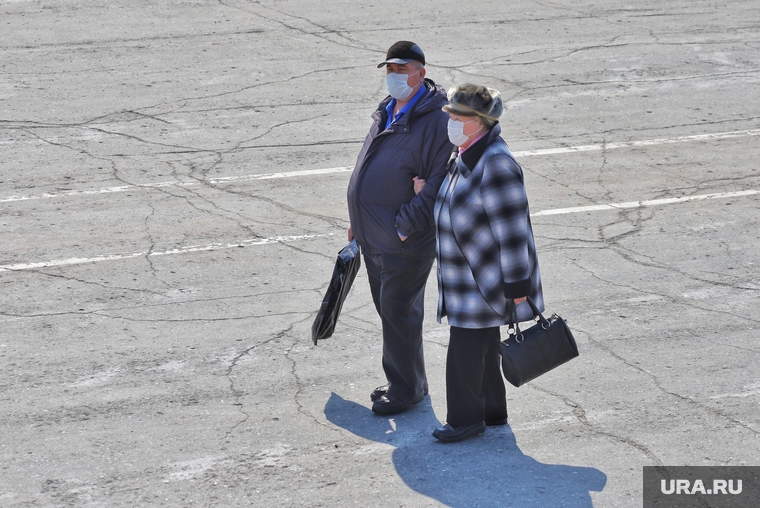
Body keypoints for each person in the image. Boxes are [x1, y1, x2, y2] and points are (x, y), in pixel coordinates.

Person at [430, 83, 544, 442]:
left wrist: (517, 288)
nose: (449, 120)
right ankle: (492, 413)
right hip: (468, 276)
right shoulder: (466, 152)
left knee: (466, 349)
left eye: (458, 116)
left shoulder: (495, 163)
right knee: (481, 345)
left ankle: (464, 420)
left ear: (480, 121)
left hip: (487, 280)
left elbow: (512, 232)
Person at [346, 41, 453, 415]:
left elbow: (438, 184)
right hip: (373, 235)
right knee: (390, 311)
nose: (394, 77)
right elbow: (369, 166)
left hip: (405, 241)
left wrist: (404, 227)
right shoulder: (387, 110)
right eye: (389, 70)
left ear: (420, 74)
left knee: (398, 309)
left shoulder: (438, 120)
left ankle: (405, 390)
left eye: (401, 70)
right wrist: (356, 222)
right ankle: (409, 381)